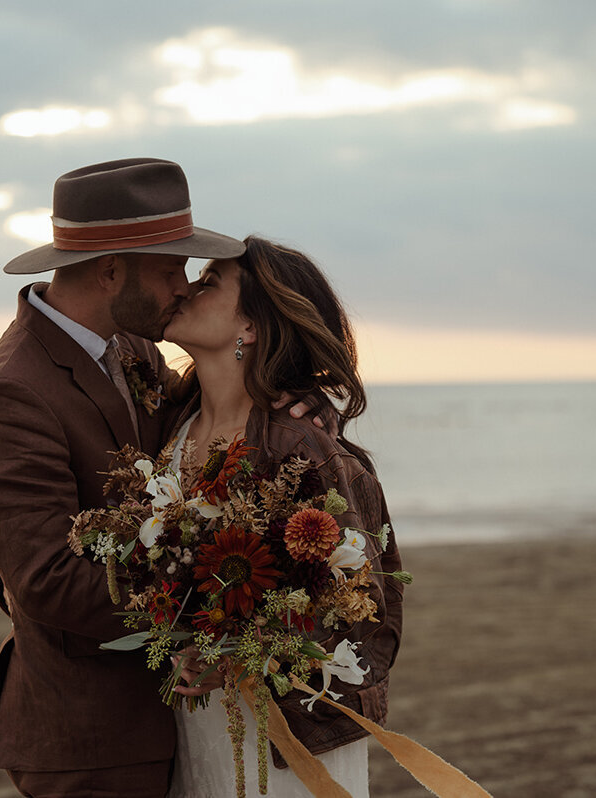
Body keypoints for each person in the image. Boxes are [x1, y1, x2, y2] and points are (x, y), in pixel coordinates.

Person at [0, 158, 247, 798]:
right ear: (111, 270)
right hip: (90, 735)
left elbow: (194, 425)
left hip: (167, 713)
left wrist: (287, 399)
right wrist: (222, 607)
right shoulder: (13, 391)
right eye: (171, 268)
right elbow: (45, 579)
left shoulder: (131, 346)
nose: (184, 286)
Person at [160, 236, 405, 797]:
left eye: (210, 281)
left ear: (250, 326)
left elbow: (363, 606)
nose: (188, 289)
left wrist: (241, 654)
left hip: (290, 731)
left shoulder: (300, 446)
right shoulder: (173, 424)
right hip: (195, 722)